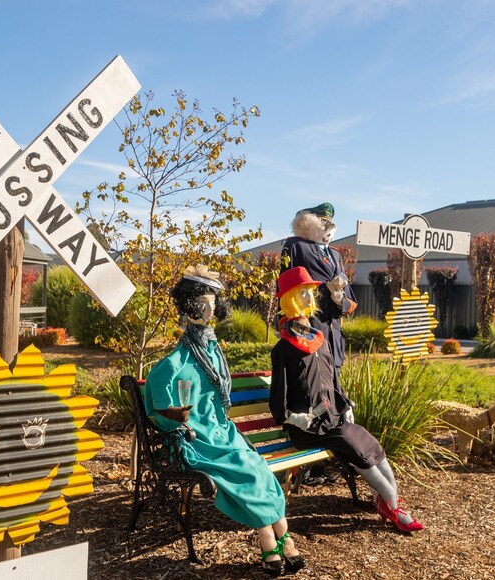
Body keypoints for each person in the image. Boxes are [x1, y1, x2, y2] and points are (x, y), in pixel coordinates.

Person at [146, 265, 306, 576]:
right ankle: (270, 539)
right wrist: (172, 415)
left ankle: (283, 537)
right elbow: (159, 394)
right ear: (189, 305)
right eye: (202, 303)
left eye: (212, 303)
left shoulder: (212, 348)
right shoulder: (179, 359)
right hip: (197, 439)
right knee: (244, 470)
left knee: (259, 468)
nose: (209, 309)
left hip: (222, 432)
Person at [269, 266, 424, 534]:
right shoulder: (283, 347)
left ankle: (388, 502)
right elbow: (278, 396)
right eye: (302, 292)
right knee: (359, 452)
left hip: (334, 419)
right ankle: (393, 507)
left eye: (309, 292)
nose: (309, 297)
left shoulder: (318, 337)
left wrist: (345, 402)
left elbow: (332, 378)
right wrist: (292, 418)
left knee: (373, 447)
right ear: (290, 298)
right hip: (310, 428)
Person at [280, 202, 358, 484]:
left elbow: (350, 303)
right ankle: (304, 467)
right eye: (322, 224)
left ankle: (324, 462)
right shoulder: (295, 247)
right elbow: (287, 287)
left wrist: (339, 298)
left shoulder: (336, 255)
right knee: (307, 396)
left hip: (333, 338)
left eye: (330, 225)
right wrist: (324, 291)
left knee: (332, 398)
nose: (327, 230)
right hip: (308, 334)